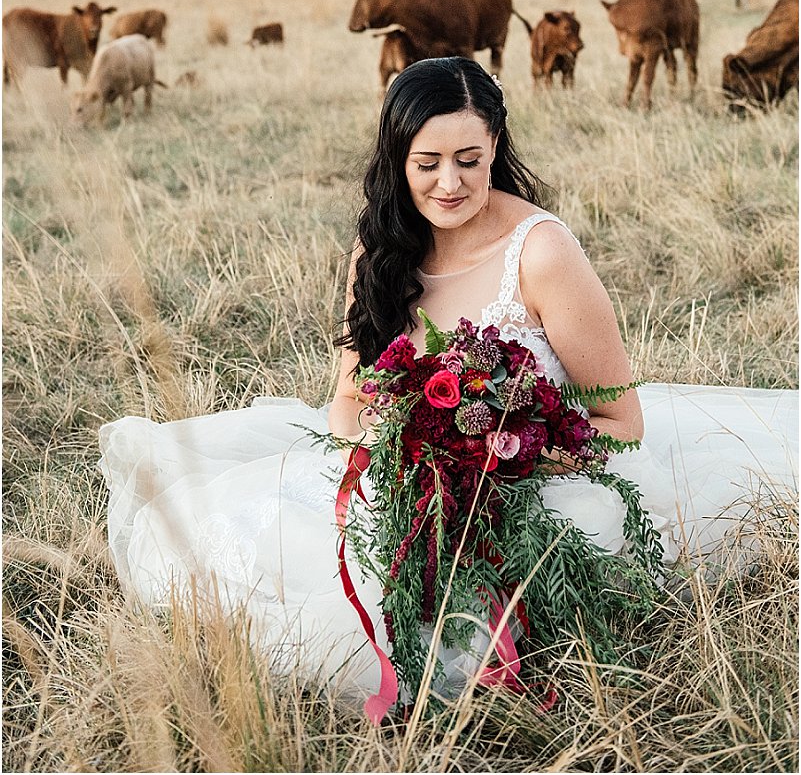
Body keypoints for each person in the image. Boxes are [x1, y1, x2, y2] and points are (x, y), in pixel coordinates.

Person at [99, 57, 797, 704]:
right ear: (396, 157)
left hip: (534, 486)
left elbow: (621, 421)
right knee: (252, 548)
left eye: (468, 159)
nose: (449, 183)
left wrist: (504, 453)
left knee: (410, 613)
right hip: (399, 471)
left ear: (495, 142)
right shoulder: (380, 249)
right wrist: (383, 450)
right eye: (426, 162)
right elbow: (347, 400)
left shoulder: (542, 252)